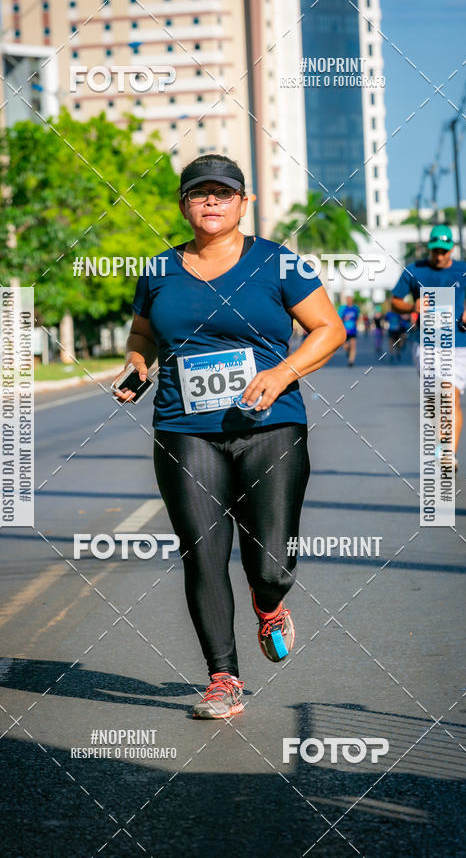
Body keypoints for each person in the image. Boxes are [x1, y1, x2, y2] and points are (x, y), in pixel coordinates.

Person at [117, 154, 346, 719]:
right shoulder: (159, 270)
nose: (211, 202)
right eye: (200, 194)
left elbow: (328, 330)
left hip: (270, 425)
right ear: (183, 205)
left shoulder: (279, 263)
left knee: (269, 564)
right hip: (184, 428)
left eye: (223, 193)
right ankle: (223, 679)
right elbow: (143, 334)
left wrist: (281, 372)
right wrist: (136, 367)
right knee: (203, 553)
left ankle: (269, 604)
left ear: (245, 203)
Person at [391, 224, 466, 472]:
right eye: (435, 251)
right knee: (436, 400)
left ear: (451, 248)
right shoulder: (414, 271)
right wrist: (413, 307)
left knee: (450, 398)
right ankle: (445, 448)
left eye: (443, 251)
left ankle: (447, 453)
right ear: (429, 249)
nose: (439, 256)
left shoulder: (465, 270)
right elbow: (395, 301)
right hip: (427, 343)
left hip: (459, 343)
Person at [337, 295, 360, 367]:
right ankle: (348, 351)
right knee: (345, 347)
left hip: (353, 330)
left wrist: (356, 324)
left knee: (353, 346)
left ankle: (351, 361)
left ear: (352, 300)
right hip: (345, 330)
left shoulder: (355, 309)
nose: (349, 301)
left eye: (350, 299)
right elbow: (339, 318)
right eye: (348, 300)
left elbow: (357, 317)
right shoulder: (342, 309)